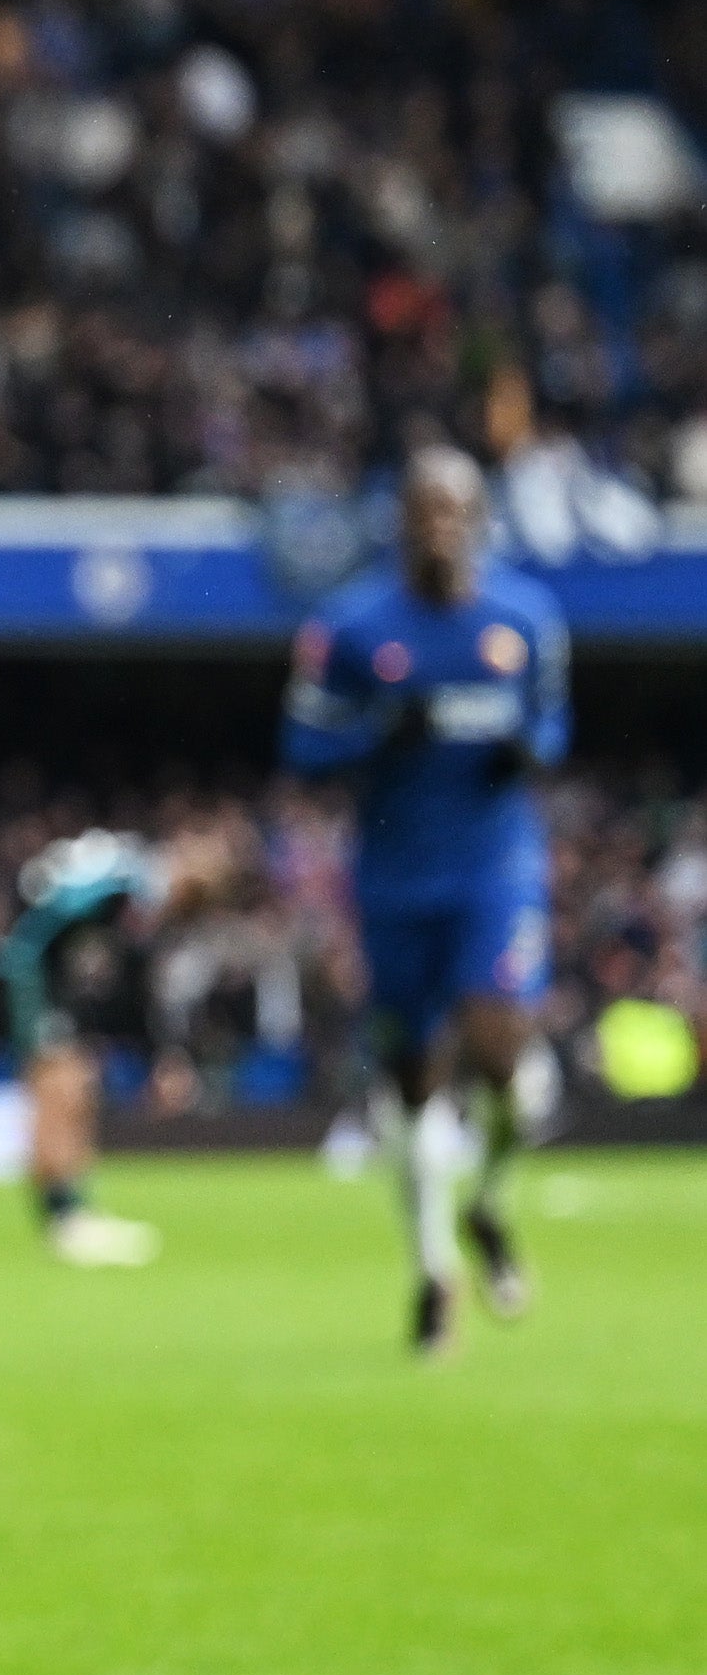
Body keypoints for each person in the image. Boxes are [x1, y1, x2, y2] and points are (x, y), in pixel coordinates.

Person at [285, 445, 570, 1350]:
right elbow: (304, 748)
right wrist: (378, 733)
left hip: (493, 870)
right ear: (399, 521)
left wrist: (529, 749)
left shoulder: (524, 618)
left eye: (455, 510)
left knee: (500, 1056)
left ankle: (488, 1199)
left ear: (478, 518)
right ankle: (434, 1269)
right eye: (423, 510)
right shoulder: (353, 628)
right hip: (394, 879)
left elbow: (552, 725)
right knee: (411, 1076)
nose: (439, 526)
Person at [0, 832, 166, 1267]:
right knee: (59, 1095)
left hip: (49, 997)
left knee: (74, 1093)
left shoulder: (85, 902)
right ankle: (65, 1220)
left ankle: (75, 1212)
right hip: (39, 1000)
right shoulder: (97, 892)